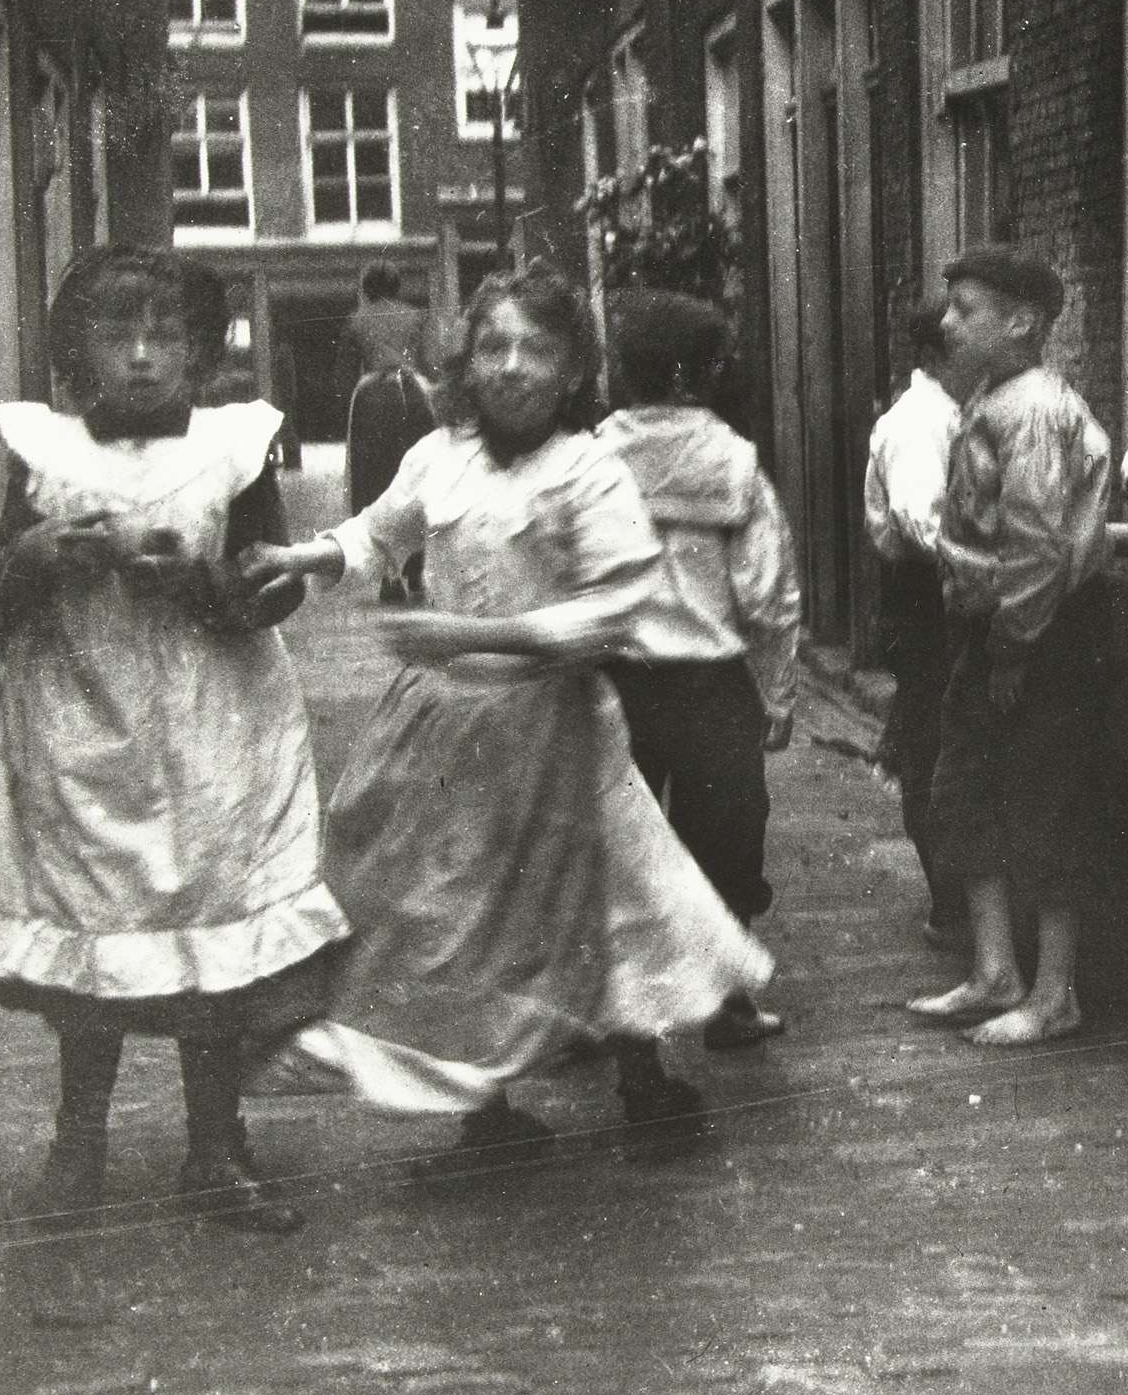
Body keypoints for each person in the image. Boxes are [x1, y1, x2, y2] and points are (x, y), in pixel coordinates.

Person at [240, 267, 771, 1164]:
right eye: (493, 346)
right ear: (466, 360)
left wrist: (472, 634)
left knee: (604, 897)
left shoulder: (588, 470)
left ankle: (643, 1076)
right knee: (455, 906)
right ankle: (483, 1109)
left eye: (537, 349)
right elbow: (379, 531)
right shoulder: (438, 456)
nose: (513, 366)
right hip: (447, 730)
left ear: (573, 370)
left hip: (553, 723)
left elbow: (615, 608)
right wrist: (308, 555)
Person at [0, 246, 348, 1249]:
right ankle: (76, 1144)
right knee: (96, 928)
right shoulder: (44, 452)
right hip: (83, 720)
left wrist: (205, 582)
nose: (140, 356)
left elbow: (273, 587)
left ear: (199, 351)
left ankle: (216, 1144)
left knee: (210, 931)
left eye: (165, 336)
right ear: (76, 350)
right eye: (116, 335)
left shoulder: (234, 448)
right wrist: (34, 554)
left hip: (213, 721)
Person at [904, 248, 1113, 1049]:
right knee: (965, 790)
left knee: (1045, 799)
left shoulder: (1034, 410)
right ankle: (996, 971)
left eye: (967, 309)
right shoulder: (992, 399)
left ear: (1022, 322)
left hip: (1041, 633)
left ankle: (1056, 992)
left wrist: (1014, 650)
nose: (948, 323)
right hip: (996, 632)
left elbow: (1037, 544)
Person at [599, 287, 801, 1050]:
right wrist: (778, 691)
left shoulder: (589, 459)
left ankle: (607, 1010)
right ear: (702, 370)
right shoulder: (732, 461)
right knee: (724, 841)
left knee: (615, 846)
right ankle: (726, 1003)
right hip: (710, 685)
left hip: (613, 682)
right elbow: (768, 591)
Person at [862, 299, 966, 949]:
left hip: (944, 592)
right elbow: (921, 521)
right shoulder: (917, 423)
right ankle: (948, 904)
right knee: (931, 747)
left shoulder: (951, 412)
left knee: (942, 739)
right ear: (934, 355)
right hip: (926, 599)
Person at [342, 263, 438, 603]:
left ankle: (389, 574)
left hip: (370, 400)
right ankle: (416, 572)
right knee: (419, 478)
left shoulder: (356, 320)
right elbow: (429, 362)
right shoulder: (416, 316)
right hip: (414, 394)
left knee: (375, 483)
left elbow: (346, 373)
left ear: (367, 287)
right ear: (397, 286)